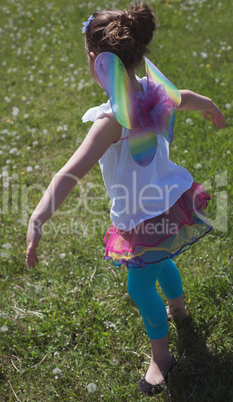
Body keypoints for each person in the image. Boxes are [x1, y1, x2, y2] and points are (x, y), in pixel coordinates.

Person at [26, 2, 225, 396]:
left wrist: (37, 217)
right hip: (170, 200)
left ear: (96, 61)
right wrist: (209, 104)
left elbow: (69, 172)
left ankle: (162, 357)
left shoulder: (112, 119)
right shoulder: (153, 89)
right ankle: (180, 308)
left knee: (138, 286)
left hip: (140, 215)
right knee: (160, 256)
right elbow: (182, 96)